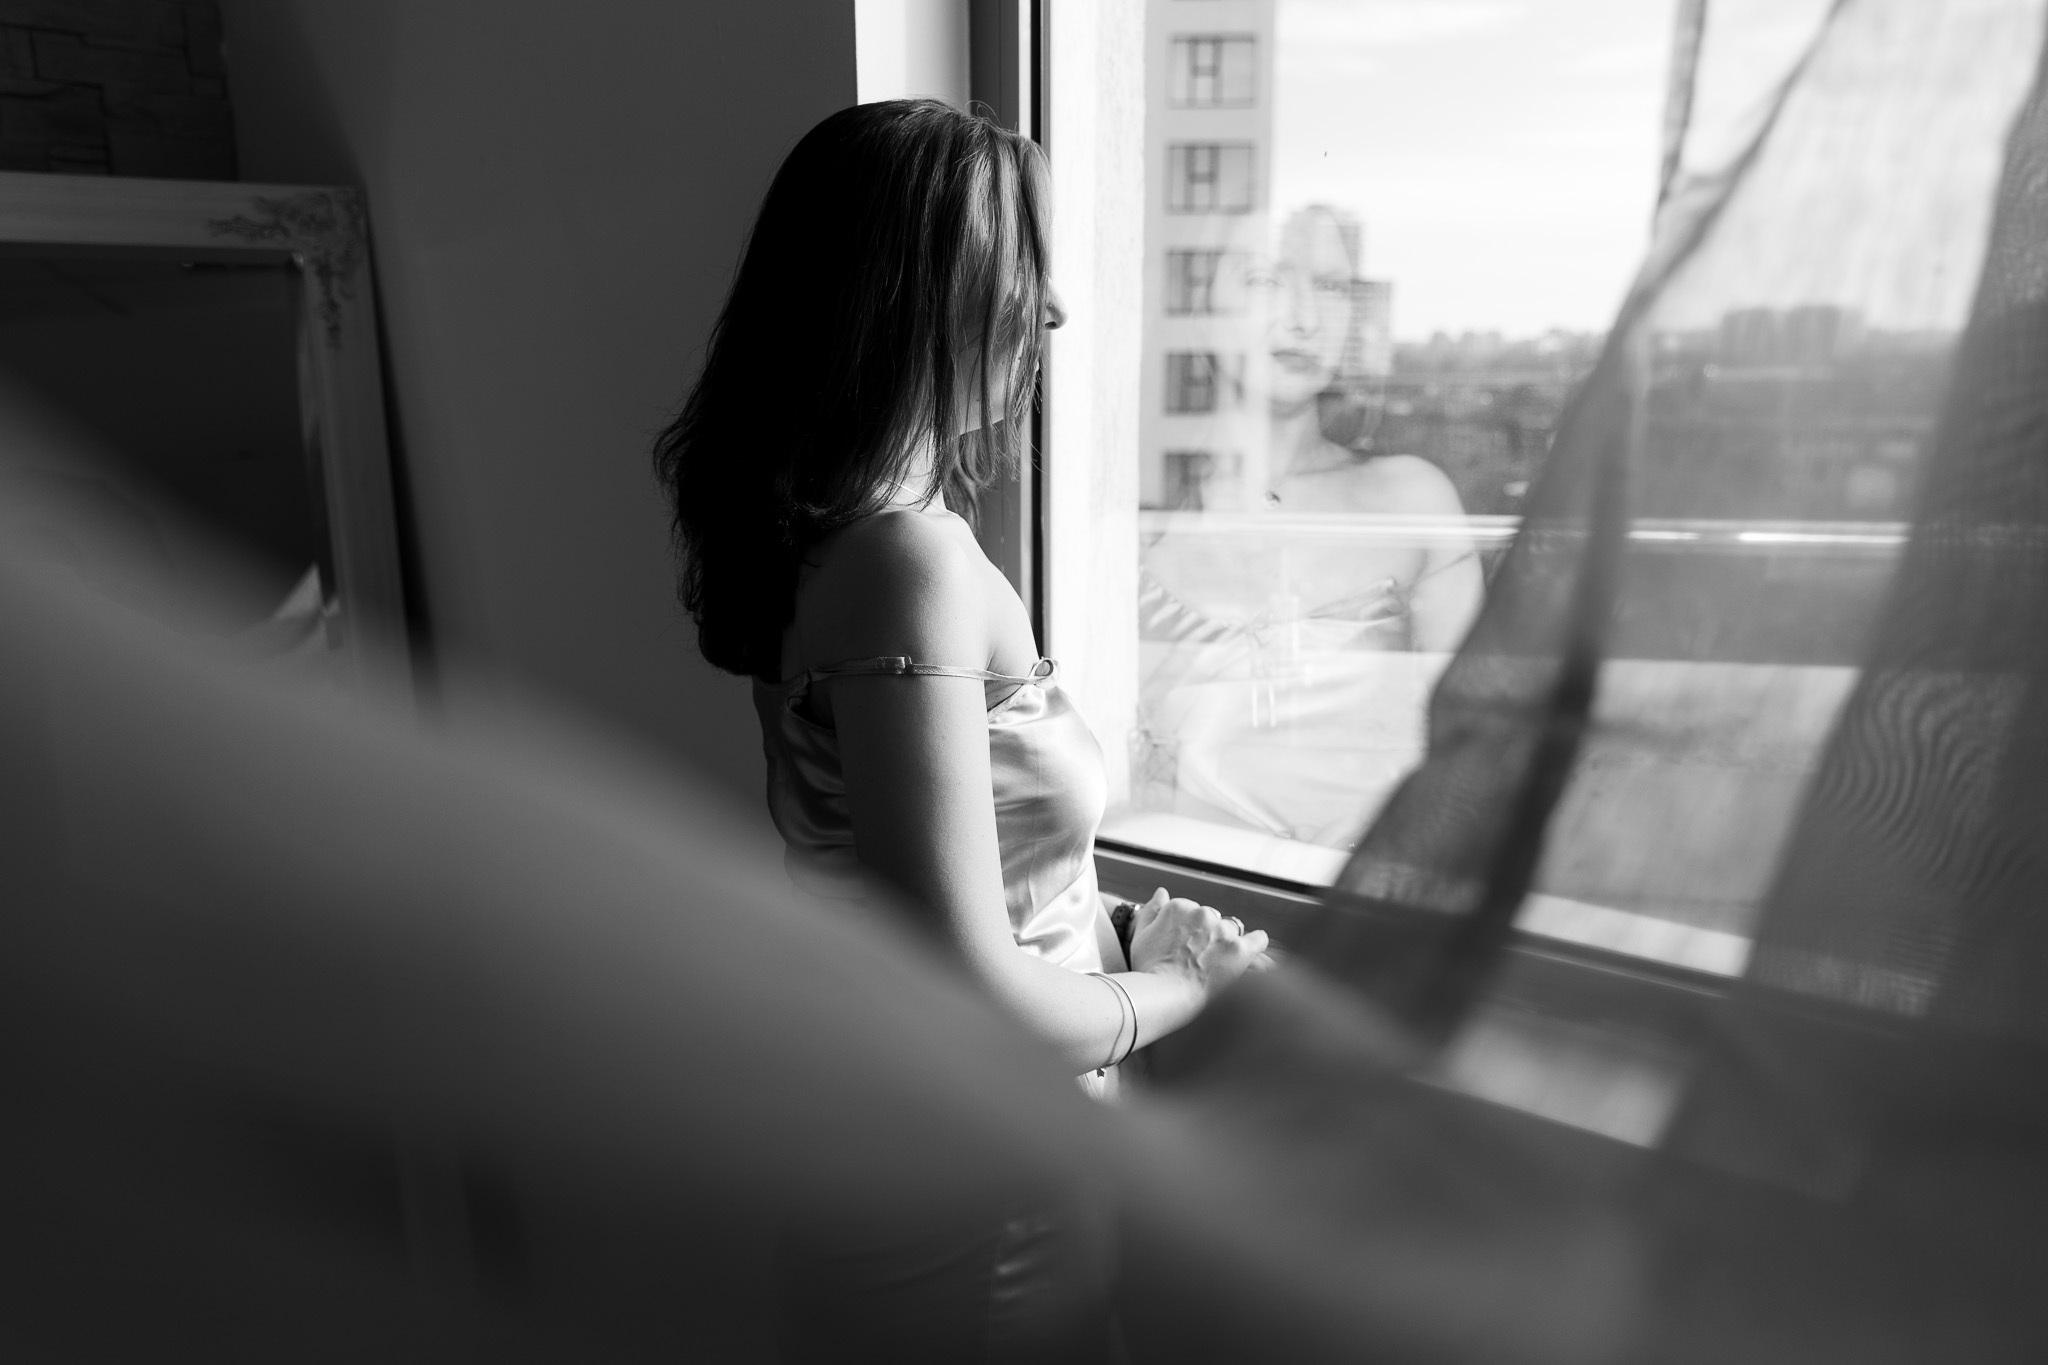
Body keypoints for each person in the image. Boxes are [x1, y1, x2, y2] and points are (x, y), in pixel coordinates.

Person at [652, 99, 1268, 1357]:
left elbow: (942, 878)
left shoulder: (837, 536)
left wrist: (1113, 927)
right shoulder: (904, 562)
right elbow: (969, 988)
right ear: (911, 294)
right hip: (973, 1182)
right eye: (1020, 268)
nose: (1053, 312)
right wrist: (1182, 987)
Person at [1135, 205, 1484, 848]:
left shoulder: (1410, 502)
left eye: (1330, 286)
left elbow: (1475, 757)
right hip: (1170, 891)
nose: (1305, 317)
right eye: (1264, 278)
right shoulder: (1129, 521)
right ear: (1199, 304)